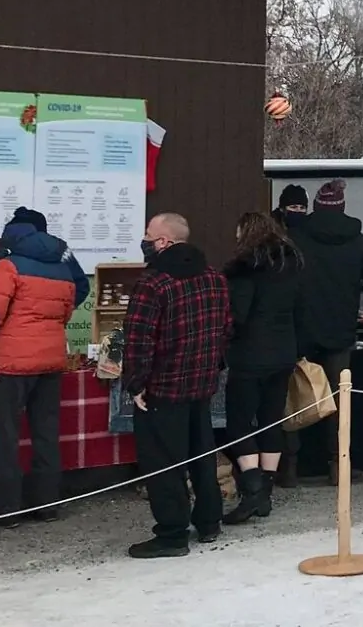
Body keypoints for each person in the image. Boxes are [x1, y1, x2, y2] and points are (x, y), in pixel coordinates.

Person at [122, 213, 232, 557]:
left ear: (165, 242)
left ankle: (172, 533)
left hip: (162, 388)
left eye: (148, 235)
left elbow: (138, 339)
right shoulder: (215, 279)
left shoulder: (152, 283)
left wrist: (135, 383)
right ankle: (209, 521)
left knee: (163, 464)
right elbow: (226, 329)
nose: (144, 240)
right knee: (202, 454)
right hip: (202, 384)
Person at [0, 214, 86, 527]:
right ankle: (47, 504)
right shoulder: (62, 268)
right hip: (51, 360)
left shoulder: (9, 266)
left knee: (6, 436)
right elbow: (66, 312)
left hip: (14, 363)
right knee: (46, 433)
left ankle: (5, 509)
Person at [287, 178, 363, 480]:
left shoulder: (294, 238)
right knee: (338, 400)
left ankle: (290, 468)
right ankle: (337, 465)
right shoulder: (358, 241)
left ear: (315, 208)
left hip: (298, 332)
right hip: (340, 333)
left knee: (295, 397)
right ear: (343, 208)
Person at [220, 212, 302, 524]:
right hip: (284, 352)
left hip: (250, 354)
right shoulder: (292, 264)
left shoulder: (243, 269)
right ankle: (265, 491)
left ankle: (253, 489)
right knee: (271, 421)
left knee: (239, 421)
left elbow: (238, 315)